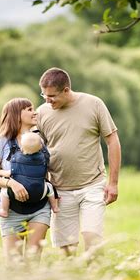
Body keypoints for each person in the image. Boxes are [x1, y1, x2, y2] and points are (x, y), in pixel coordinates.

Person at [36, 67, 121, 255]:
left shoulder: (94, 104)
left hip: (92, 185)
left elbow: (112, 141)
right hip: (60, 191)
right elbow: (35, 152)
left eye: (52, 96)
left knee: (93, 241)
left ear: (66, 90)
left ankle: (95, 279)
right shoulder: (42, 113)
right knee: (67, 251)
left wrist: (113, 183)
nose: (47, 100)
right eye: (44, 95)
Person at [0, 98, 51, 262]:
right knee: (14, 264)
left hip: (40, 208)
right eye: (29, 109)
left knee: (33, 261)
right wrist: (11, 183)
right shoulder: (2, 141)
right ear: (17, 115)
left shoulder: (40, 140)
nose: (34, 112)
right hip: (11, 211)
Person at [0, 131, 60, 218]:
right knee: (50, 187)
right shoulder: (42, 159)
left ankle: (4, 210)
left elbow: (9, 173)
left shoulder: (16, 159)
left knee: (4, 190)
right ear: (40, 147)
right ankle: (55, 207)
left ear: (21, 147)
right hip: (39, 193)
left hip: (16, 194)